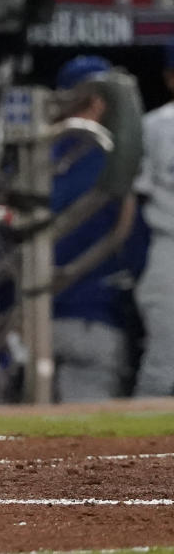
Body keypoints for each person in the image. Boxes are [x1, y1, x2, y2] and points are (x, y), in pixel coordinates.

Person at [51, 57, 148, 402]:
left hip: (26, 325)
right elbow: (137, 249)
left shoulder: (31, 156)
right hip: (94, 319)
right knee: (86, 437)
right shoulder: (114, 159)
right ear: (99, 101)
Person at [134, 44, 174, 396]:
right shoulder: (155, 126)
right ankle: (140, 450)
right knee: (164, 364)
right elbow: (134, 197)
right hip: (169, 248)